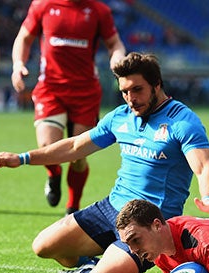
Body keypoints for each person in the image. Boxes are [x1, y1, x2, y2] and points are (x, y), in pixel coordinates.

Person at [0, 52, 209, 273]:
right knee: (44, 246)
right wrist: (22, 158)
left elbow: (204, 167)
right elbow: (75, 145)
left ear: (156, 85)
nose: (130, 98)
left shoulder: (182, 121)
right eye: (124, 91)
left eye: (137, 89)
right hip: (112, 207)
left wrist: (208, 198)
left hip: (150, 222)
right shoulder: (121, 116)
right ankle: (93, 263)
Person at [11, 0, 127, 214]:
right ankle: (53, 174)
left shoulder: (98, 10)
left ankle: (72, 207)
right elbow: (24, 38)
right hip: (50, 89)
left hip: (86, 92)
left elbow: (115, 43)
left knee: (78, 155)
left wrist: (117, 59)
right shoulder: (43, 5)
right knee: (47, 146)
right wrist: (18, 65)